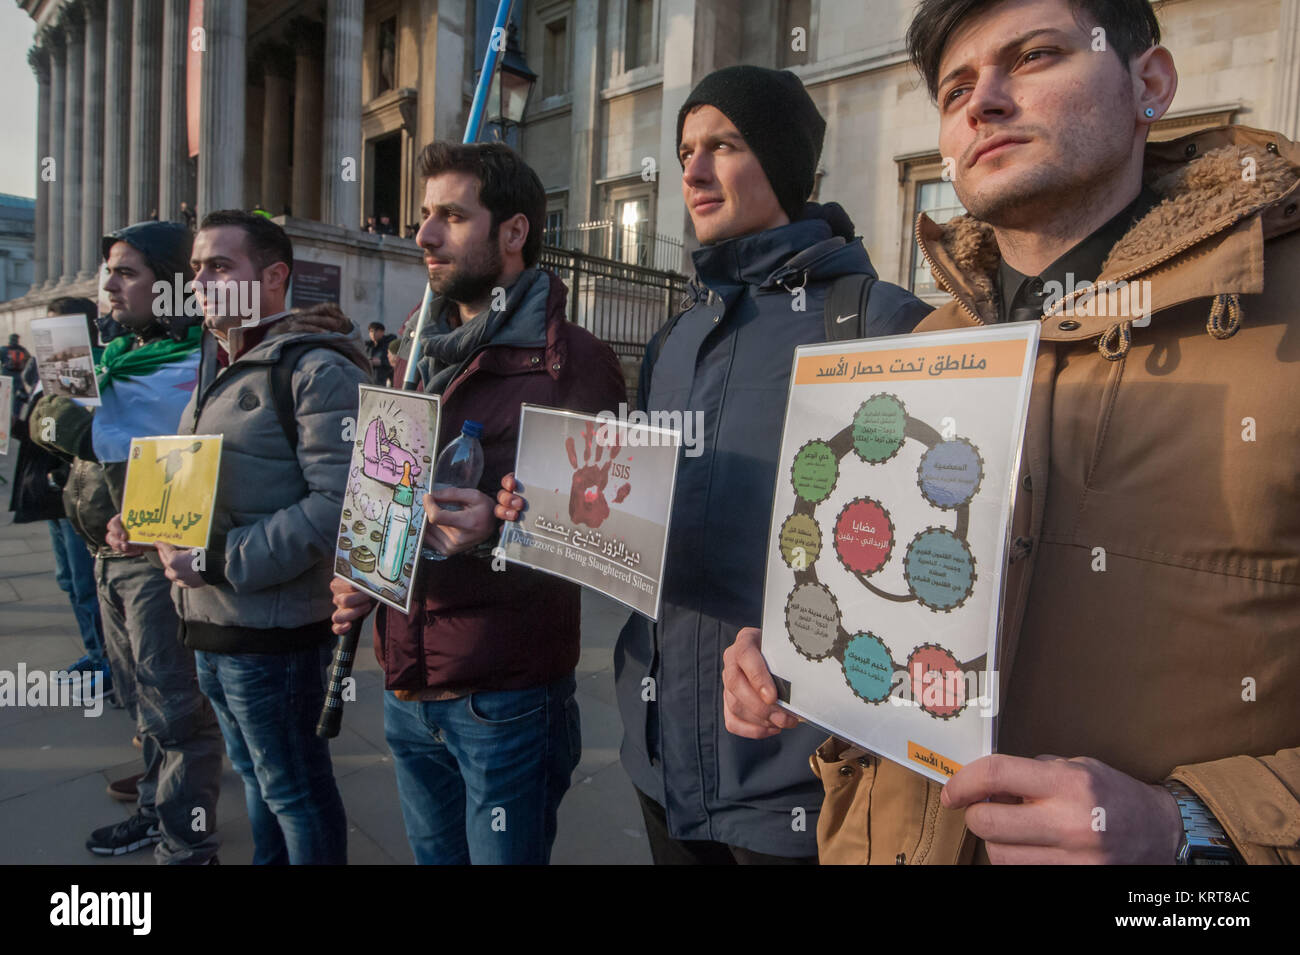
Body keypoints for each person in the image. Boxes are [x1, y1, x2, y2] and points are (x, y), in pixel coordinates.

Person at [723, 0, 1300, 865]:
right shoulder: (921, 347)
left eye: (1032, 57)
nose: (981, 102)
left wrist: (1187, 830)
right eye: (955, 87)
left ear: (1150, 82)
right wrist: (815, 659)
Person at [497, 66, 931, 864]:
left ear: (785, 165)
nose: (691, 170)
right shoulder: (678, 336)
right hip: (662, 760)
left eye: (723, 145)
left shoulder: (879, 321)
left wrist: (805, 655)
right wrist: (558, 512)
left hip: (798, 781)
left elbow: (925, 568)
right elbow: (652, 525)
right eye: (686, 148)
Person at [330, 141, 626, 865]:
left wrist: (497, 533)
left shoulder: (572, 362)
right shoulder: (419, 351)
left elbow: (614, 534)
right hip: (407, 687)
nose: (425, 234)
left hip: (507, 700)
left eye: (453, 216)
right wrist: (366, 568)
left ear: (514, 231)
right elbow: (389, 492)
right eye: (425, 215)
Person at [108, 210, 367, 865]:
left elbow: (339, 505)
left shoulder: (316, 368)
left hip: (273, 635)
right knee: (258, 784)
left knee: (296, 794)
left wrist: (220, 558)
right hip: (212, 623)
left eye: (220, 266)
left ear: (274, 277)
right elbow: (207, 479)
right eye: (196, 268)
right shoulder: (221, 359)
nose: (200, 281)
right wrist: (148, 523)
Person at [31, 221, 224, 863]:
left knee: (176, 707)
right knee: (143, 695)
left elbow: (123, 442)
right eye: (108, 270)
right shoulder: (121, 353)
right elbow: (54, 422)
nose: (108, 285)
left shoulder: (190, 360)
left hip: (153, 561)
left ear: (167, 287)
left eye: (127, 272)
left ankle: (186, 837)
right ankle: (155, 802)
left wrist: (74, 422)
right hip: (108, 553)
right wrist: (59, 407)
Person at [365, 321, 396, 386]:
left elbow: (395, 361)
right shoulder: (368, 346)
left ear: (382, 332)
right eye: (371, 331)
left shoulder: (389, 344)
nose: (373, 334)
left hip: (385, 382)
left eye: (375, 331)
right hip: (369, 381)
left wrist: (381, 362)